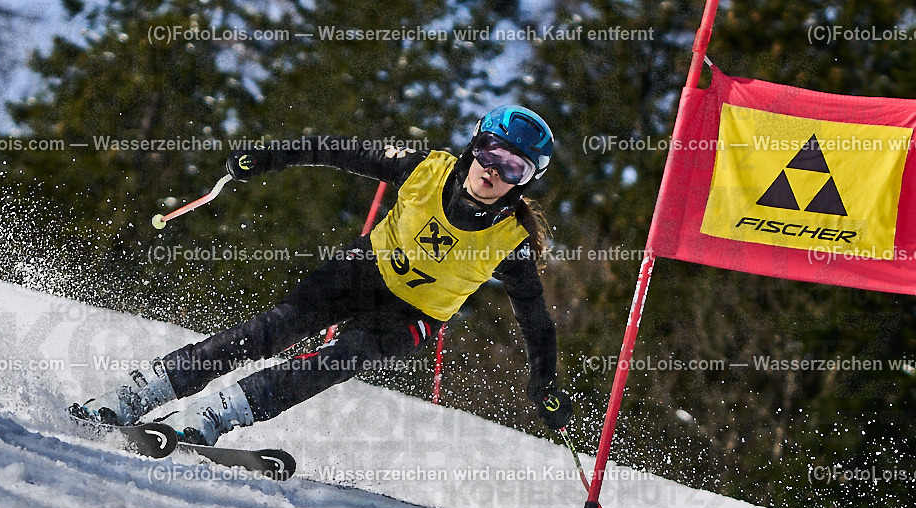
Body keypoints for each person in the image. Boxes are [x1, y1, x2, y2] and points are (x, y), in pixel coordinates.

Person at [71, 105, 574, 445]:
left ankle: (210, 417)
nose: (493, 171)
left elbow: (536, 319)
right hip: (363, 271)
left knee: (339, 359)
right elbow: (337, 149)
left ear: (525, 182)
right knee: (274, 329)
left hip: (412, 316)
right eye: (490, 153)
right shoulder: (425, 169)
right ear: (474, 147)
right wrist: (267, 157)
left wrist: (544, 383)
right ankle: (137, 394)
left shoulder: (512, 241)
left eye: (513, 169)